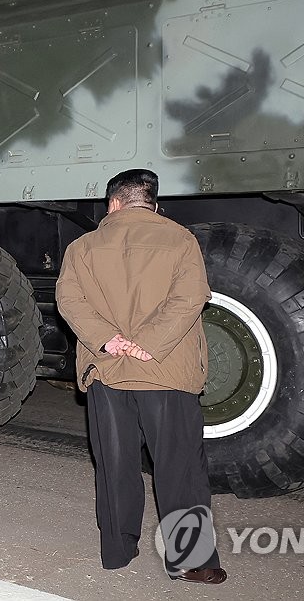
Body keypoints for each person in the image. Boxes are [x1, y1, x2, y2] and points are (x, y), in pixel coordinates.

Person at [56, 168, 227, 584]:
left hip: (107, 371)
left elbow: (67, 298)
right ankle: (190, 560)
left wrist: (108, 340)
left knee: (114, 465)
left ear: (113, 203)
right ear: (153, 204)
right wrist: (148, 343)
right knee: (180, 467)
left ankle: (116, 551)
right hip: (164, 371)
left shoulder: (83, 246)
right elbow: (190, 298)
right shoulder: (180, 239)